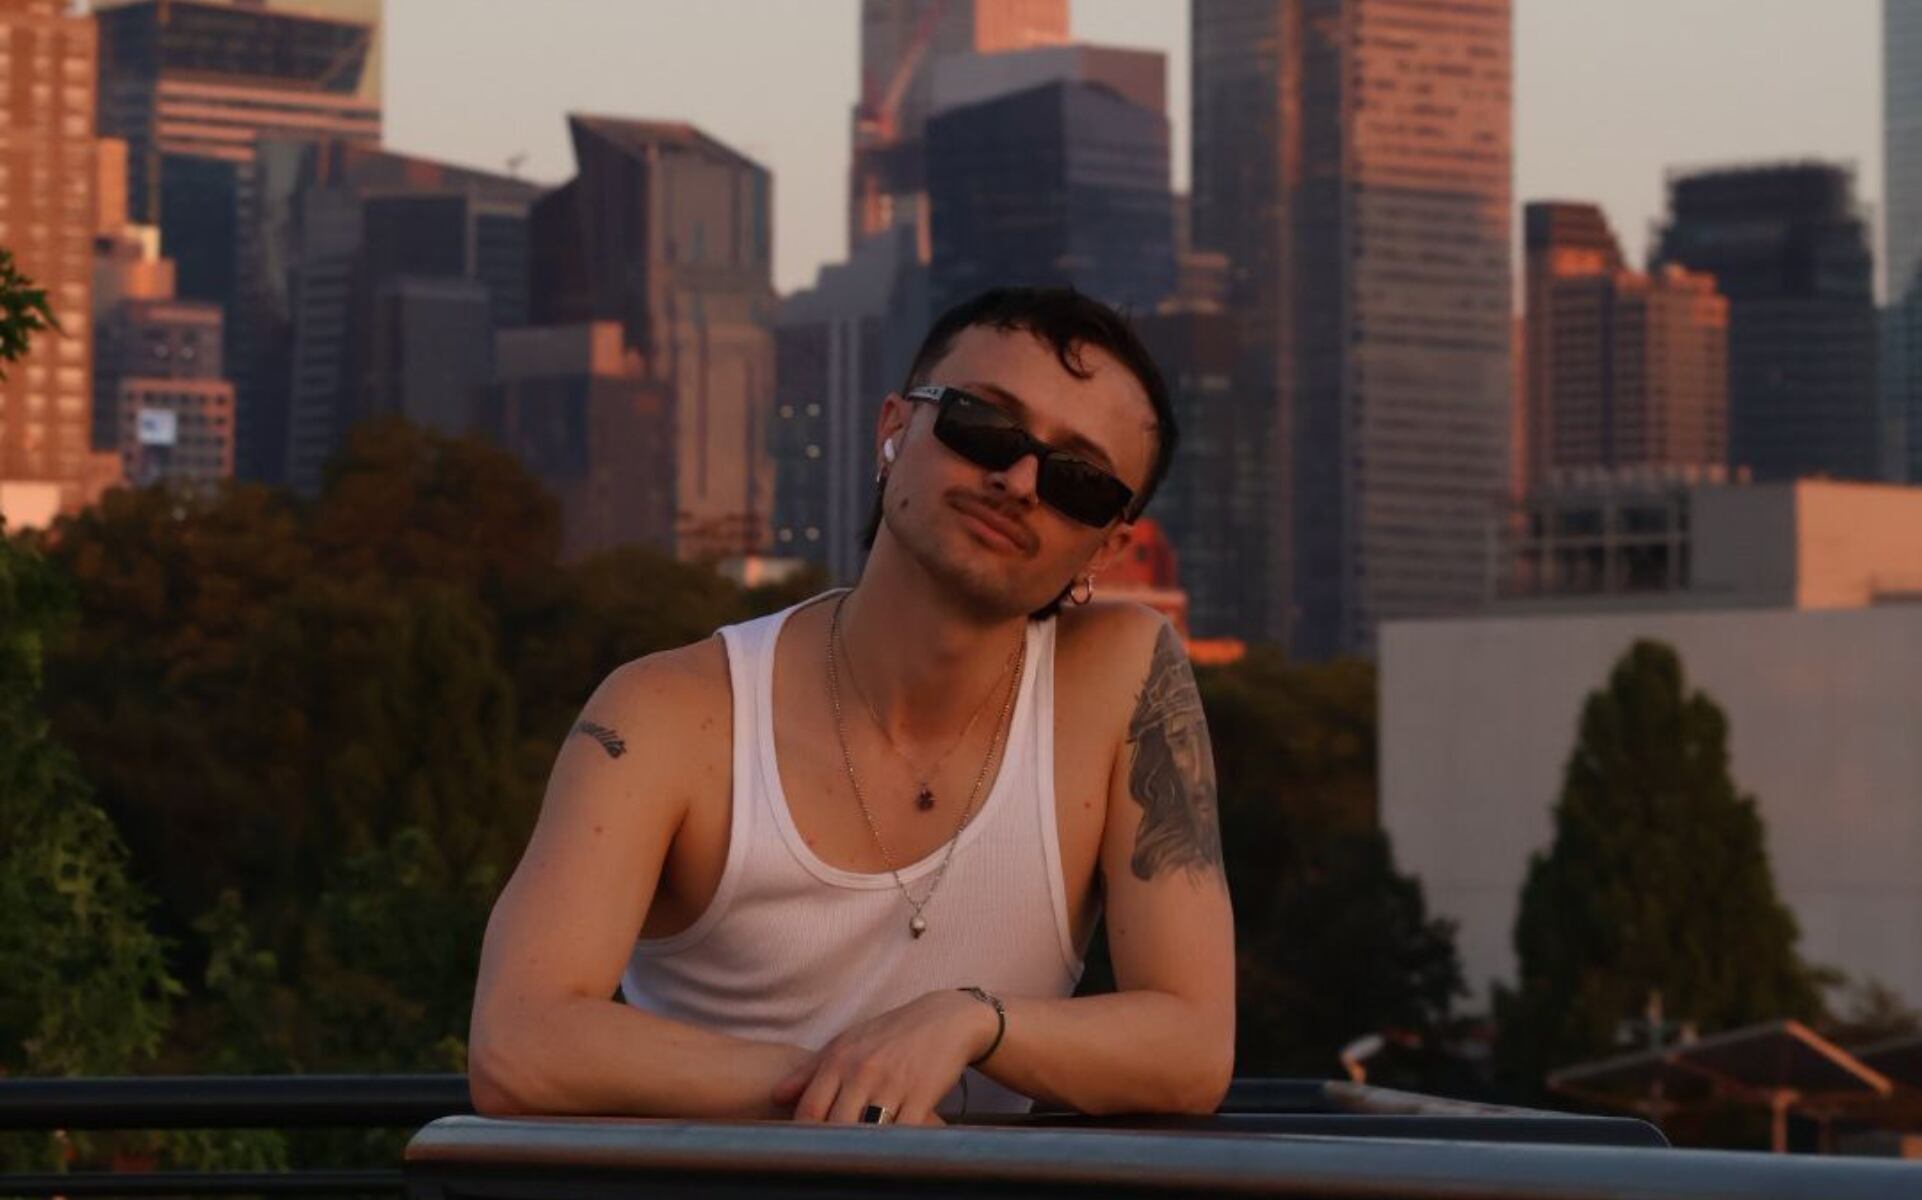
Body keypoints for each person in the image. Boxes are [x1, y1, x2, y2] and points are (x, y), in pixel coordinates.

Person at [469, 287, 1235, 1125]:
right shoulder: (671, 711)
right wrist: (854, 1093)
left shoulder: (1121, 677)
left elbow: (1193, 1048)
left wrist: (970, 1021)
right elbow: (519, 1041)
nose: (1018, 481)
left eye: (1078, 480)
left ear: (1108, 548)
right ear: (893, 430)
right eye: (982, 424)